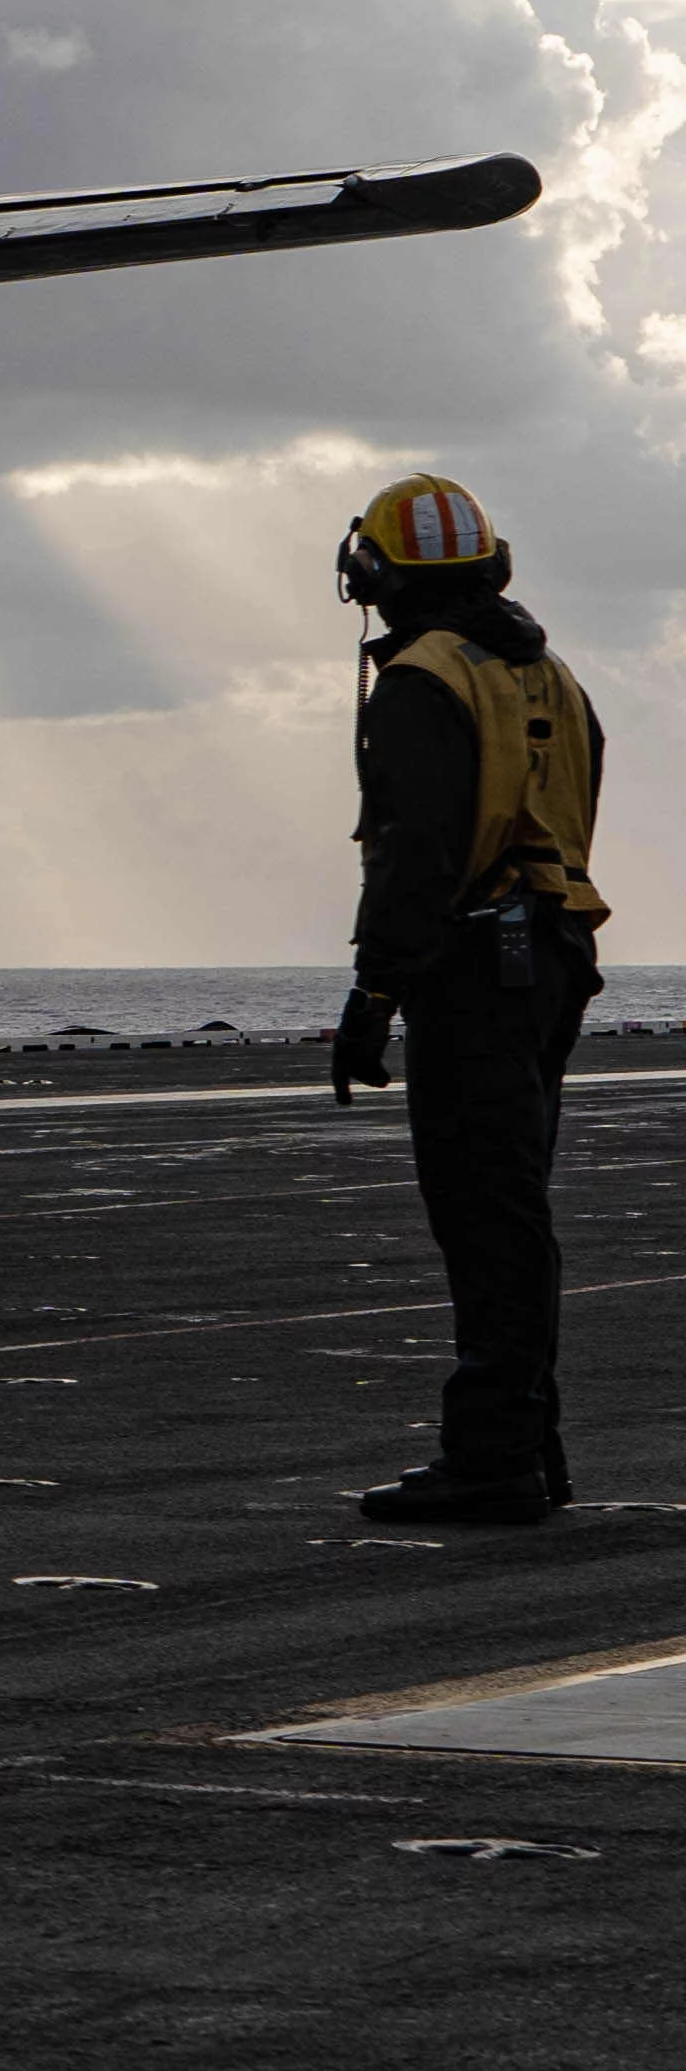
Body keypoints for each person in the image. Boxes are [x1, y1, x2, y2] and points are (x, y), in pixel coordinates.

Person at [327, 474, 607, 1526]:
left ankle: (493, 1462)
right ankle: (528, 1448)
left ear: (379, 576)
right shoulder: (553, 675)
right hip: (555, 954)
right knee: (513, 1209)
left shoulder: (422, 681)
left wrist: (375, 991)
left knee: (486, 1219)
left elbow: (416, 850)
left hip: (477, 969)